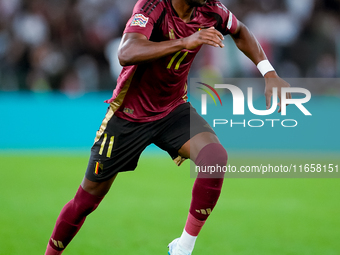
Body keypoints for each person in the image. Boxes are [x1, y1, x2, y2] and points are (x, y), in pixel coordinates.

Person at [45, 0, 291, 254]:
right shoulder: (152, 7)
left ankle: (183, 247)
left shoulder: (212, 10)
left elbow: (240, 31)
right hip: (129, 116)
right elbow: (126, 52)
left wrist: (269, 73)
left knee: (215, 157)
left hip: (173, 109)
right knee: (86, 201)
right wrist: (184, 42)